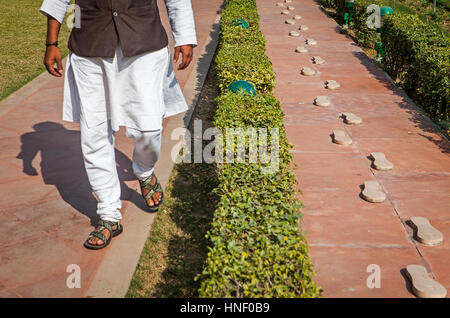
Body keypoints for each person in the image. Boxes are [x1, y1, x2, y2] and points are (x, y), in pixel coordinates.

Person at [40, 0, 197, 250]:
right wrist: (51, 44)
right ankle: (109, 214)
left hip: (144, 46)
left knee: (149, 129)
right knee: (94, 135)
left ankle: (144, 171)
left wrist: (185, 36)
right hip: (90, 48)